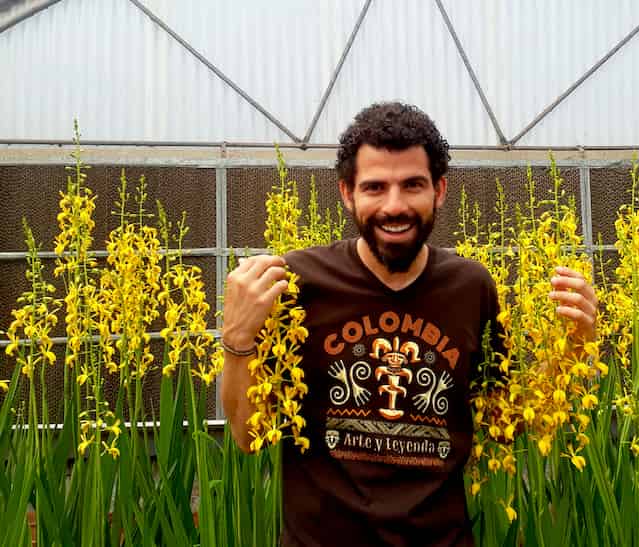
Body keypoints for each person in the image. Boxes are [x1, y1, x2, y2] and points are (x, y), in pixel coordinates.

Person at [221, 102, 598, 546]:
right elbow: (250, 436)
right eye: (375, 187)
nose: (394, 206)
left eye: (412, 185)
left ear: (439, 191)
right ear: (347, 193)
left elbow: (505, 421)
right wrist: (237, 339)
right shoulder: (298, 284)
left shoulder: (472, 287)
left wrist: (576, 345)